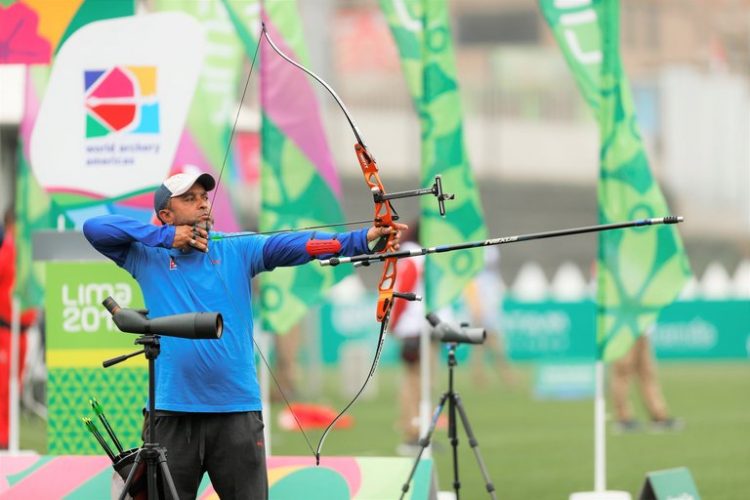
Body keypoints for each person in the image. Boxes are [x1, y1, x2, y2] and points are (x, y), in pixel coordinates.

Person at [83, 171, 405, 499]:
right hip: (171, 412)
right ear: (166, 215)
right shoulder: (147, 256)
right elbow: (94, 228)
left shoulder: (237, 248)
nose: (202, 205)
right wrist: (165, 238)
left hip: (236, 412)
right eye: (189, 199)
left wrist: (363, 238)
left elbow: (297, 245)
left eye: (204, 198)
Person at [0, 208, 38, 449]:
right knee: (4, 387)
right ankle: (3, 440)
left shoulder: (26, 250)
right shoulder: (9, 250)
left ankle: (7, 438)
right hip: (5, 329)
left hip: (21, 332)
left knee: (15, 385)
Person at [611, 324, 682, 432]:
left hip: (642, 331)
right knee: (622, 372)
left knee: (647, 374)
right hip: (624, 331)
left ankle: (659, 416)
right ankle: (623, 418)